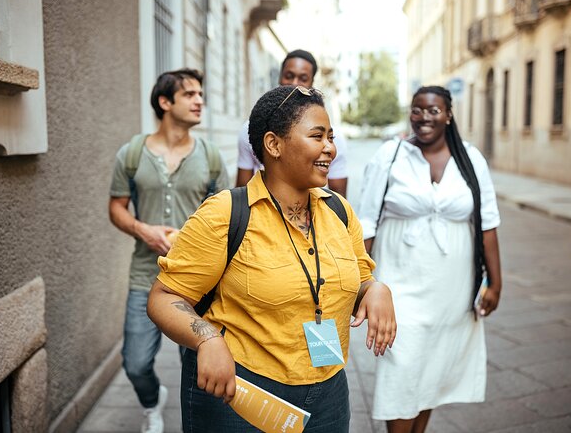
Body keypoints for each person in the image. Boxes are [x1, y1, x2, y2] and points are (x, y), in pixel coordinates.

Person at [147, 85, 396, 432]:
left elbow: (356, 281)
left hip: (328, 395)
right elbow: (165, 297)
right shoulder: (225, 213)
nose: (330, 148)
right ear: (274, 144)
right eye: (317, 136)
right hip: (241, 394)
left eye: (331, 137)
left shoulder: (340, 211)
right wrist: (207, 337)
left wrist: (374, 289)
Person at [359, 85, 503, 433]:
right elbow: (365, 223)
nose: (424, 117)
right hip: (399, 282)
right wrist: (362, 283)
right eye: (417, 109)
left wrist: (495, 283)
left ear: (448, 115)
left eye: (434, 110)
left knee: (433, 372)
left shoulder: (470, 158)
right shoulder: (390, 155)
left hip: (452, 289)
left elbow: (488, 224)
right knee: (403, 367)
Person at [108, 68, 230, 433]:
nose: (199, 101)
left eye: (200, 95)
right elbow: (116, 207)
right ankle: (151, 402)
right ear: (165, 102)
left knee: (195, 364)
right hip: (146, 276)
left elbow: (227, 216)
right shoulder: (131, 154)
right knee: (135, 363)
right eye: (190, 94)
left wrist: (191, 238)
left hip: (197, 283)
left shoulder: (210, 157)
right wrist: (141, 229)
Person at [236, 49, 349, 196]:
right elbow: (241, 189)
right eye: (289, 76)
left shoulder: (333, 139)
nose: (294, 84)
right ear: (271, 143)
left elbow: (339, 197)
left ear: (312, 83)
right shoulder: (251, 129)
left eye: (303, 78)